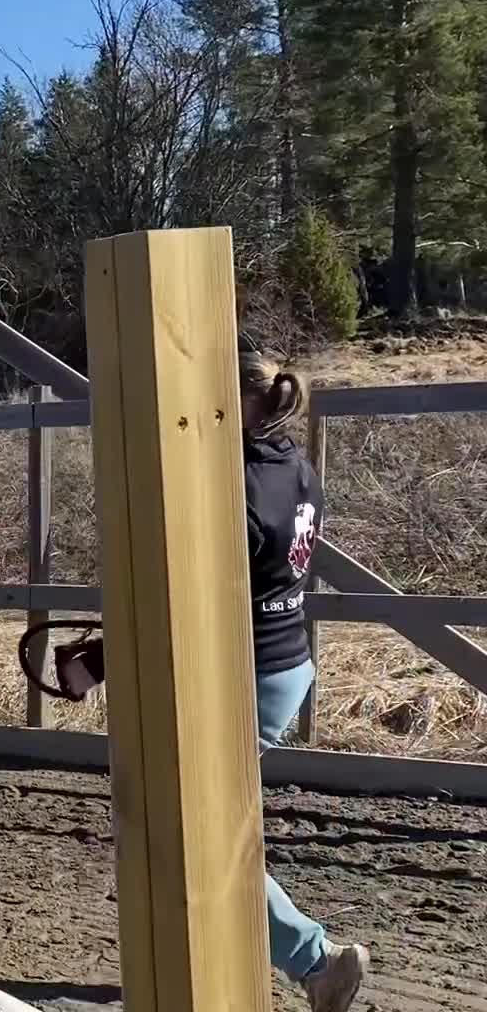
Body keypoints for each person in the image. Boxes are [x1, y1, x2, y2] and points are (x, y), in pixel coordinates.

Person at [238, 350, 370, 1010]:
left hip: (250, 673)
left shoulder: (236, 482)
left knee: (201, 835)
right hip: (289, 660)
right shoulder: (297, 466)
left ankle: (315, 962)